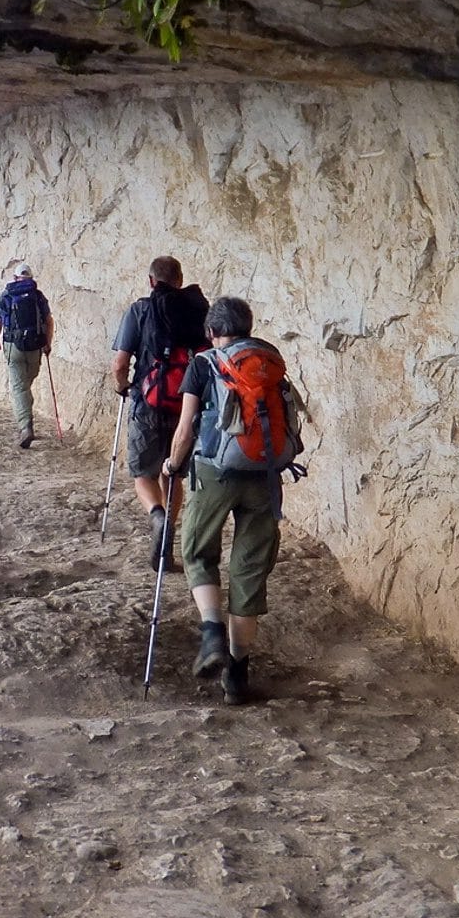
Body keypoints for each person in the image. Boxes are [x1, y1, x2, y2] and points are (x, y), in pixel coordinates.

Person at [162, 296, 286, 706]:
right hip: (265, 474)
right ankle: (237, 676)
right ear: (248, 326)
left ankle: (211, 633)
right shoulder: (269, 360)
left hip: (215, 472)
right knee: (248, 571)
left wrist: (172, 465)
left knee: (198, 551)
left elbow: (185, 429)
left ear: (212, 331)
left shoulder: (204, 364)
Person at [109, 256, 209, 569]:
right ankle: (167, 541)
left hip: (149, 402)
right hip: (186, 406)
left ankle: (157, 515)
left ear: (152, 281)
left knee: (143, 474)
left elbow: (120, 363)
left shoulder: (140, 310)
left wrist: (123, 386)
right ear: (180, 280)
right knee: (173, 472)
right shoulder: (198, 310)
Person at [0, 262, 54, 448]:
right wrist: (47, 343)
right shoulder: (38, 296)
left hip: (13, 347)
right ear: (31, 278)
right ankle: (26, 415)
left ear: (15, 278)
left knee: (19, 388)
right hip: (34, 346)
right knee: (26, 383)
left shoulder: (7, 295)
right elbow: (49, 322)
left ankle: (25, 428)